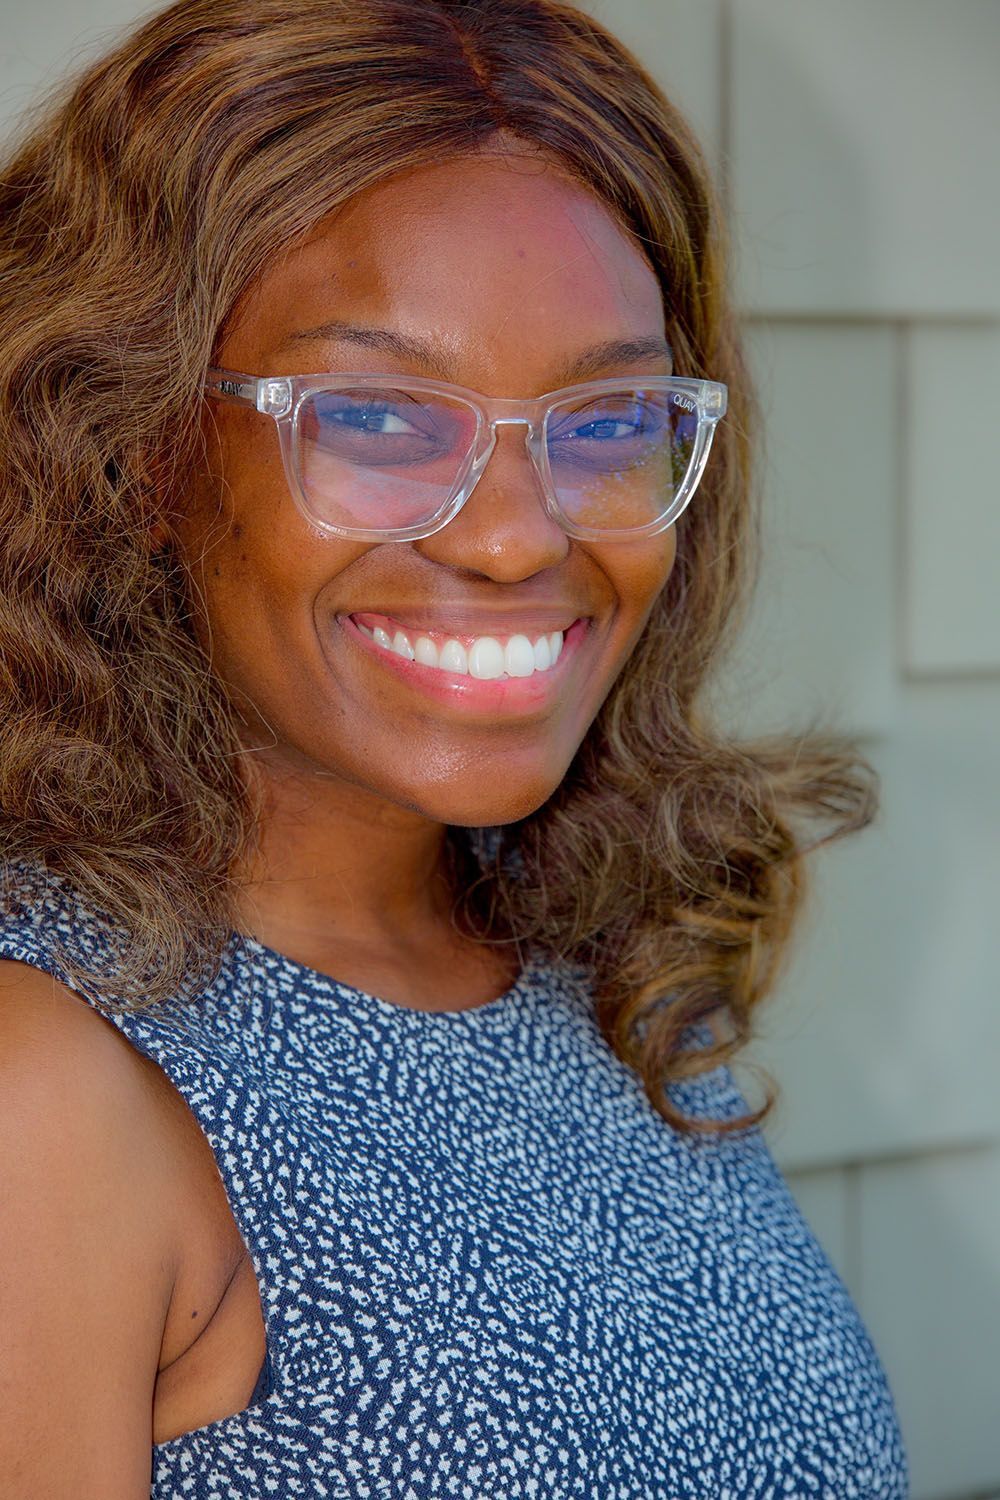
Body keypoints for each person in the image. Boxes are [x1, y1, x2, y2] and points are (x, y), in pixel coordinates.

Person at [0, 0, 908, 1494]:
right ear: (132, 441)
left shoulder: (601, 975)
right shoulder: (52, 1079)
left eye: (608, 420)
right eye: (376, 415)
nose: (512, 536)